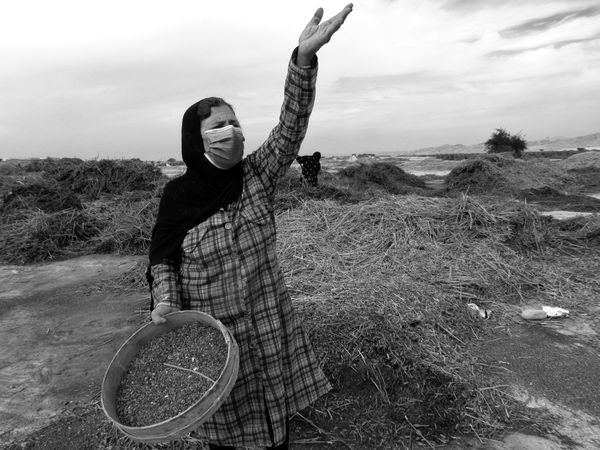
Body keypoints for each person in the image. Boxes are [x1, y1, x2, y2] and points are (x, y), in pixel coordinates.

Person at [146, 5, 353, 450]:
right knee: (226, 429)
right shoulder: (178, 198)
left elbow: (291, 126)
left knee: (274, 425)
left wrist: (302, 61)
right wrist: (165, 301)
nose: (232, 131)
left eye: (235, 122)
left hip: (267, 326)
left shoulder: (257, 175)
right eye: (218, 126)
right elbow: (164, 259)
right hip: (215, 339)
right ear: (195, 140)